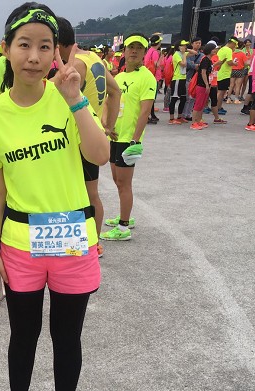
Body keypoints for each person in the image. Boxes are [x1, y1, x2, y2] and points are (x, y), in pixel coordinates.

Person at [0, 3, 108, 391]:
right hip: (20, 244)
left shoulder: (69, 97)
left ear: (57, 52)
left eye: (44, 46)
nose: (33, 56)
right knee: (23, 334)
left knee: (67, 337)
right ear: (6, 49)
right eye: (24, 45)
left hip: (73, 240)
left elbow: (100, 154)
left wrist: (76, 101)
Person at [56, 16, 120, 257]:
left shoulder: (76, 66)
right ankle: (95, 243)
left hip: (76, 137)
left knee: (78, 194)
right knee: (92, 194)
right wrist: (107, 125)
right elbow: (116, 92)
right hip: (92, 131)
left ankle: (89, 243)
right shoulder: (93, 57)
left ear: (57, 44)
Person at [100, 33, 156, 241]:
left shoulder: (147, 78)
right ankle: (125, 215)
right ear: (124, 51)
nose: (134, 51)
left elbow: (145, 111)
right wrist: (106, 125)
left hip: (128, 140)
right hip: (115, 137)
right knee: (117, 180)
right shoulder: (119, 77)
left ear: (145, 52)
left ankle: (123, 227)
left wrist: (135, 140)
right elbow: (108, 102)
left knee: (124, 184)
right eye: (131, 47)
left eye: (139, 48)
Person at [190, 43, 216, 130]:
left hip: (206, 84)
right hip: (202, 85)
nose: (215, 50)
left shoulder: (208, 60)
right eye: (214, 49)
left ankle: (198, 120)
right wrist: (206, 84)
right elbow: (203, 72)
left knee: (202, 104)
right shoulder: (205, 60)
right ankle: (194, 122)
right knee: (198, 104)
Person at [214, 37, 237, 115]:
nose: (234, 47)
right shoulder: (228, 50)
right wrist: (235, 63)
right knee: (221, 92)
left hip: (219, 72)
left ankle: (219, 107)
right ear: (232, 43)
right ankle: (217, 108)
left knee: (221, 91)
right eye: (235, 45)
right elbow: (229, 62)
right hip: (225, 73)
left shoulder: (222, 49)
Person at [168, 40, 188, 124]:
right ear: (178, 47)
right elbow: (183, 64)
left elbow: (194, 52)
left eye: (185, 45)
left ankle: (179, 117)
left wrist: (186, 51)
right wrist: (184, 54)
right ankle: (171, 118)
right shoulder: (176, 55)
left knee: (183, 98)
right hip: (177, 79)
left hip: (183, 78)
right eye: (183, 45)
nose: (185, 47)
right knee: (174, 98)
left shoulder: (182, 53)